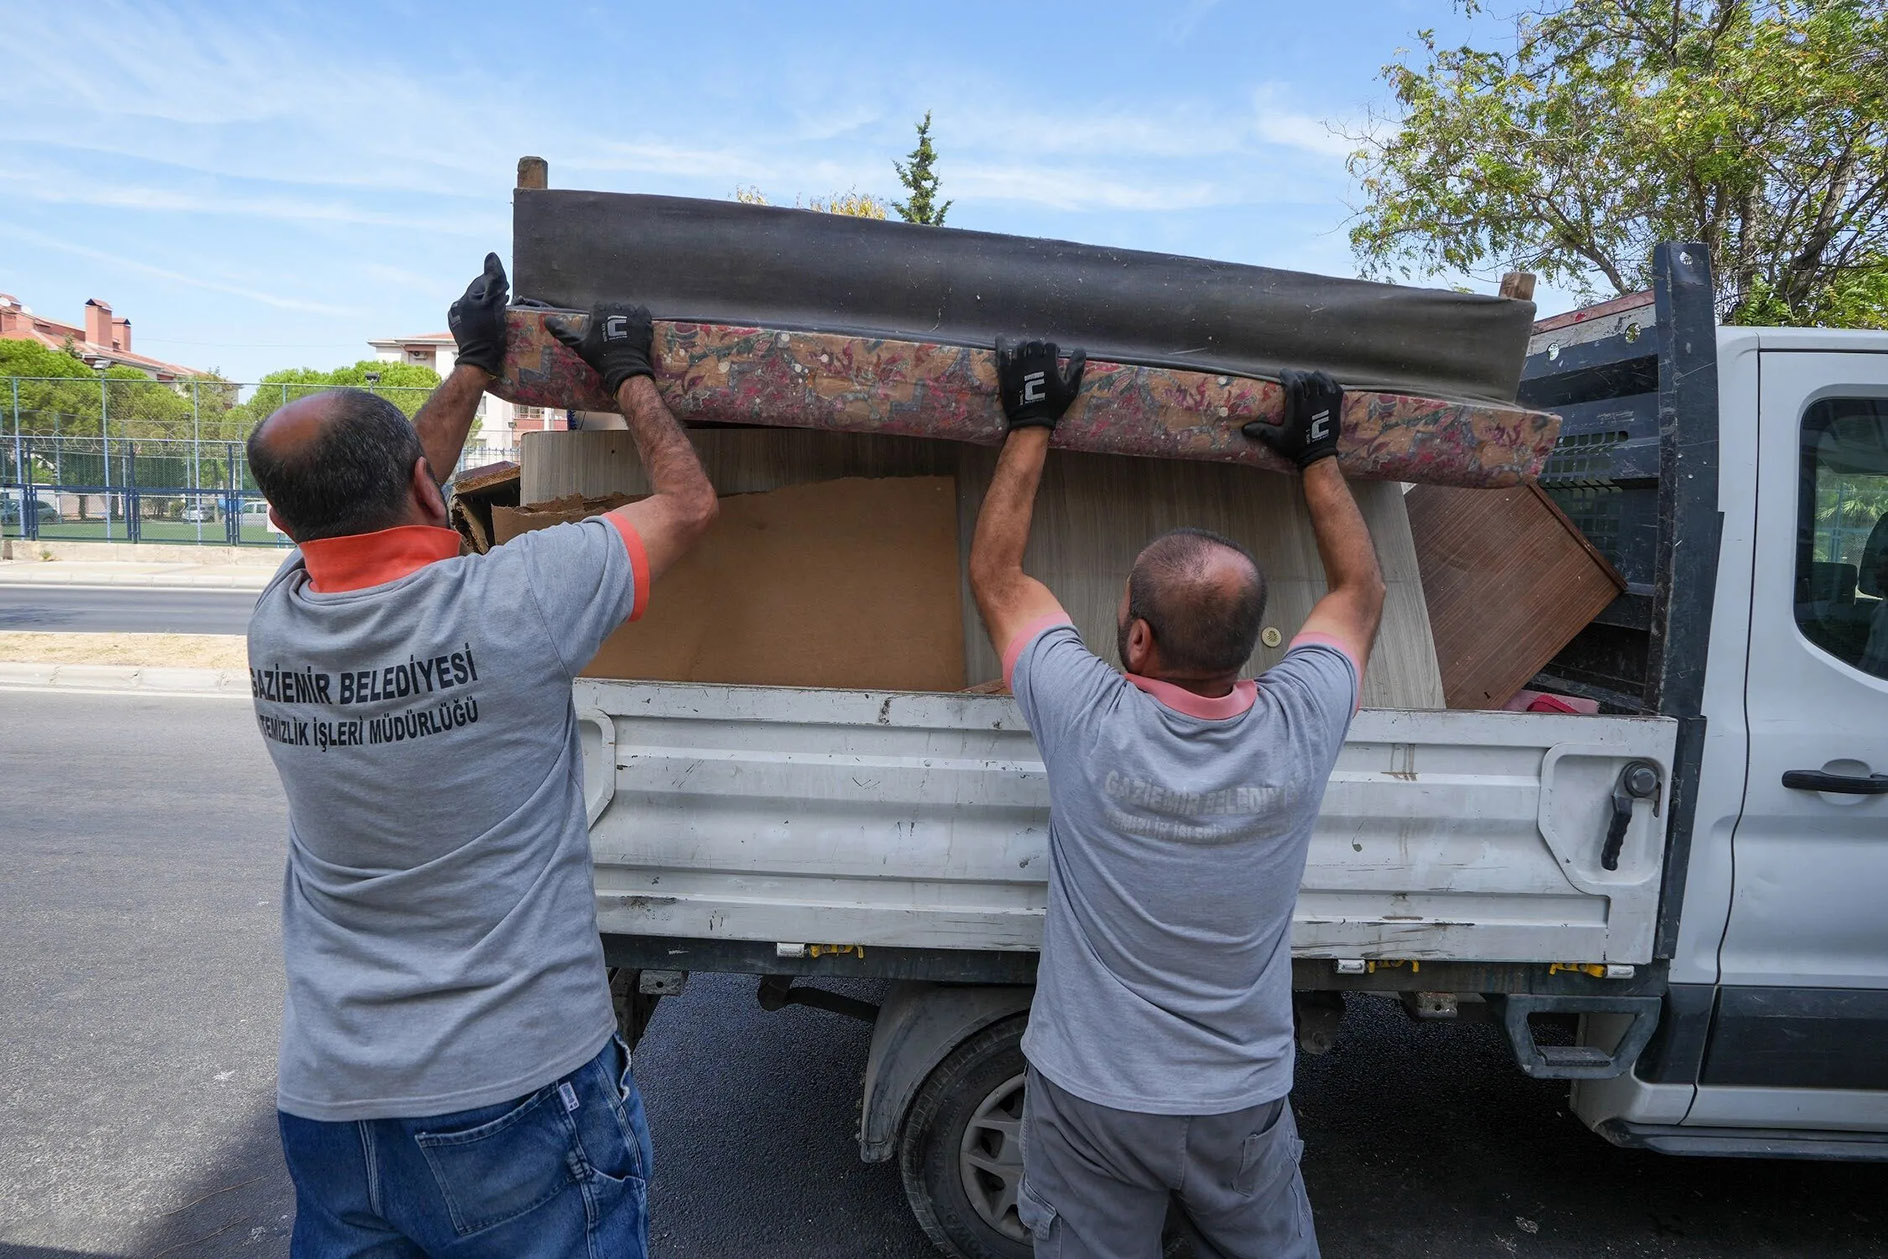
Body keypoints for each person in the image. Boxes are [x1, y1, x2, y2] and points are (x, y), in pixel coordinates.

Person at [245, 253, 717, 1258]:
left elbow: (374, 494)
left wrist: (470, 365)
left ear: (282, 524)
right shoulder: (517, 601)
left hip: (331, 1103)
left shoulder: (278, 624)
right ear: (425, 482)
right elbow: (687, 505)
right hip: (513, 1093)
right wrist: (630, 373)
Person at [967, 339, 1384, 1259]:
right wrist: (1318, 454)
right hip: (1240, 1102)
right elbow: (1360, 593)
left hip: (1093, 1098)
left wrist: (1032, 417)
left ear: (1138, 639)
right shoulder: (1301, 722)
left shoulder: (1088, 717)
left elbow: (997, 576)